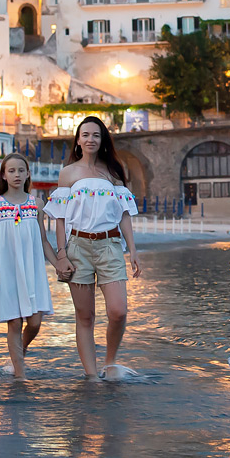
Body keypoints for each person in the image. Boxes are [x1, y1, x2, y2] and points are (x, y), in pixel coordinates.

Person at [43, 116, 142, 380]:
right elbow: (60, 218)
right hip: (78, 247)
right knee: (85, 316)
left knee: (118, 311)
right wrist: (61, 254)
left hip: (110, 245)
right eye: (85, 135)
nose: (90, 139)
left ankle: (109, 362)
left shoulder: (113, 172)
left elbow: (124, 214)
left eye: (96, 135)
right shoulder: (68, 173)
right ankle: (92, 377)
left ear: (102, 140)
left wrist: (133, 250)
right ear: (78, 140)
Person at [0, 153, 73, 381]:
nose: (16, 175)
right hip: (7, 269)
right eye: (11, 171)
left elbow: (43, 240)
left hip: (32, 270)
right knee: (14, 321)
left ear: (28, 174)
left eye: (21, 170)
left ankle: (19, 352)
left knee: (35, 322)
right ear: (4, 175)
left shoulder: (36, 204)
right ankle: (20, 375)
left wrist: (58, 264)